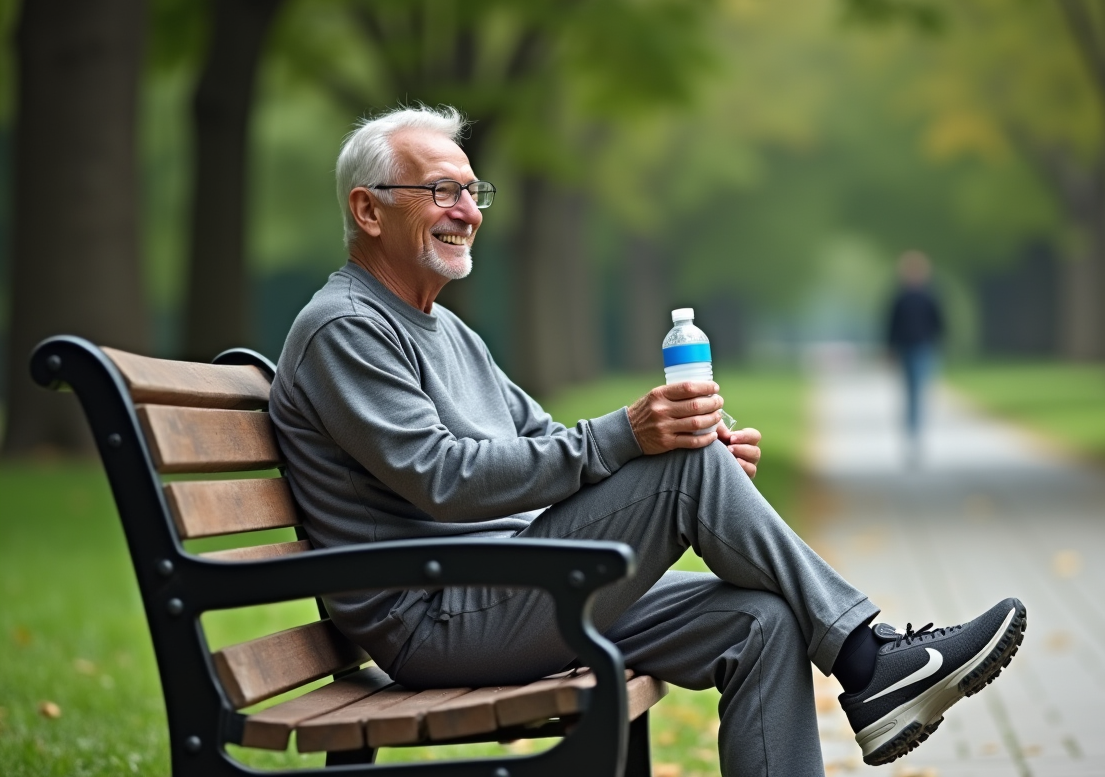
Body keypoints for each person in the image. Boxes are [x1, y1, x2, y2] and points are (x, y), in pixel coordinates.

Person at [269, 105, 1025, 774]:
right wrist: (644, 445)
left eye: (473, 191)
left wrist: (696, 468)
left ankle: (870, 660)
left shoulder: (447, 330)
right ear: (368, 212)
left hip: (515, 586)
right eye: (442, 190)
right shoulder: (347, 329)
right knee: (680, 467)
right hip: (441, 620)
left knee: (762, 621)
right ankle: (869, 659)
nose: (467, 210)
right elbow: (441, 477)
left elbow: (546, 439)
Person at [884, 251, 944, 463]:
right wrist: (889, 350)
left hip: (924, 349)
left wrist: (937, 345)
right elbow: (891, 326)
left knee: (918, 392)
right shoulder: (899, 298)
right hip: (905, 349)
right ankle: (911, 436)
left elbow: (939, 324)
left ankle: (916, 436)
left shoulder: (930, 297)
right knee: (909, 393)